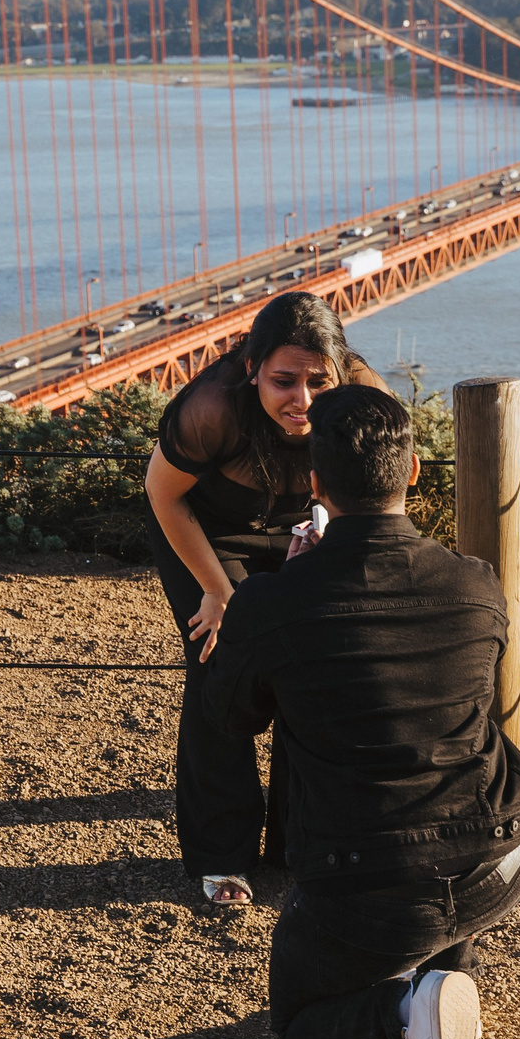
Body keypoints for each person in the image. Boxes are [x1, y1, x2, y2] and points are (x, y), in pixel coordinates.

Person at [198, 384, 520, 1039]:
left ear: (315, 486)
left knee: (298, 1021)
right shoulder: (478, 585)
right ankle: (449, 975)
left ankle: (407, 1004)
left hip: (365, 888)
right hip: (500, 861)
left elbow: (230, 717)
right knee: (449, 795)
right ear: (414, 470)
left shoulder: (273, 602)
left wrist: (285, 592)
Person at [141, 293, 392, 908]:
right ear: (252, 367)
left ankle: (296, 842)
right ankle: (220, 853)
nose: (302, 400)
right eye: (283, 381)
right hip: (205, 532)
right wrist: (221, 593)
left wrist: (334, 546)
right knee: (219, 666)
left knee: (309, 671)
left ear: (340, 369)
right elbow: (162, 495)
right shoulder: (210, 407)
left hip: (305, 524)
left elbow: (380, 487)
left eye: (317, 381)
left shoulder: (363, 398)